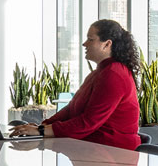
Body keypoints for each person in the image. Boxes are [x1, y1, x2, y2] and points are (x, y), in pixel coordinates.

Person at [11, 19, 142, 150]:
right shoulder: (99, 73)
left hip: (114, 155)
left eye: (90, 39)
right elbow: (71, 110)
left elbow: (88, 122)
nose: (84, 44)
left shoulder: (114, 74)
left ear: (106, 44)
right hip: (93, 149)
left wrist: (41, 131)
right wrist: (42, 126)